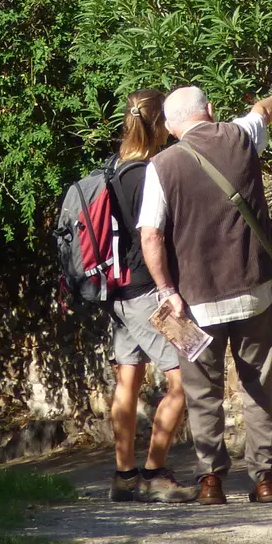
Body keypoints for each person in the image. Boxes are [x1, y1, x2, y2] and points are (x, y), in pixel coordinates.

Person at [138, 83, 272, 505]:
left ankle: (211, 482)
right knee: (258, 387)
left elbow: (151, 235)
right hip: (253, 291)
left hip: (194, 303)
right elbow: (262, 110)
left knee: (202, 392)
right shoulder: (240, 136)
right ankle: (265, 480)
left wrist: (167, 290)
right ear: (209, 110)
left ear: (171, 128)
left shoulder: (161, 165)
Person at [106, 88, 191, 503]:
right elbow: (154, 234)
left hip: (117, 291)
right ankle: (156, 474)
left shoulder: (114, 168)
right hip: (148, 294)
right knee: (186, 380)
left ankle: (124, 478)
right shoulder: (151, 172)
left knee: (128, 379)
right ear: (161, 124)